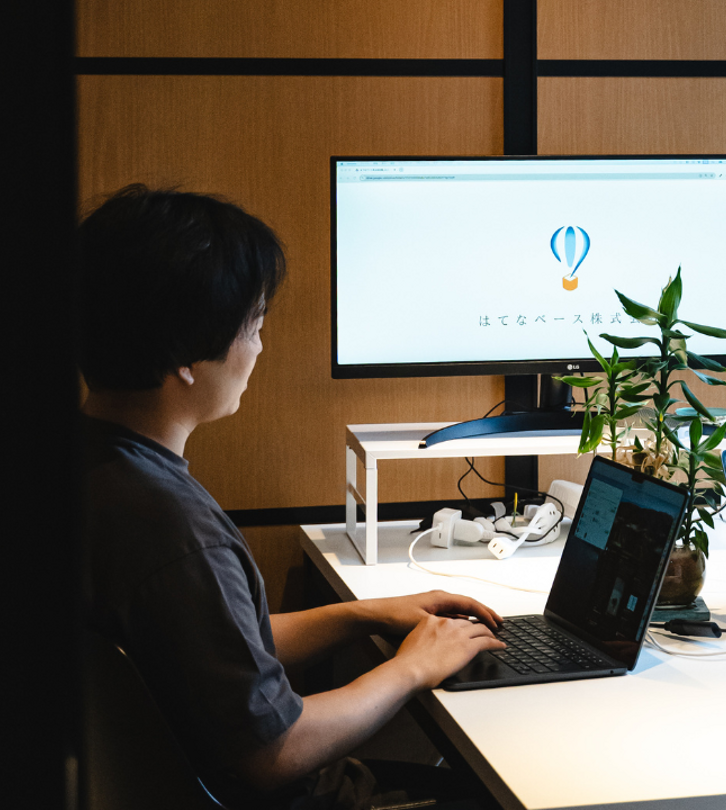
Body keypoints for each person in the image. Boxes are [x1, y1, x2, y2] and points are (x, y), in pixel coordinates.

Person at [79, 185, 507, 809]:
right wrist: (412, 666)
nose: (258, 348)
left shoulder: (97, 472)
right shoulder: (172, 528)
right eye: (253, 327)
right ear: (185, 357)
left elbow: (209, 647)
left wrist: (363, 614)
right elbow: (275, 752)